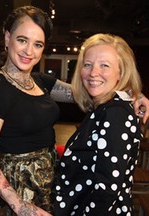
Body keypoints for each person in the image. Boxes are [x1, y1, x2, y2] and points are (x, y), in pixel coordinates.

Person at [0, 5, 149, 216]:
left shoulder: (40, 82)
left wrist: (132, 93)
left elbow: (87, 89)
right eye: (22, 40)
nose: (29, 51)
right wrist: (19, 204)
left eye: (37, 44)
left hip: (52, 179)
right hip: (21, 187)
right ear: (7, 37)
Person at [53, 33, 143, 215]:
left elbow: (108, 188)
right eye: (88, 64)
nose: (93, 73)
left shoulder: (114, 113)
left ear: (121, 72)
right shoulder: (104, 108)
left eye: (105, 65)